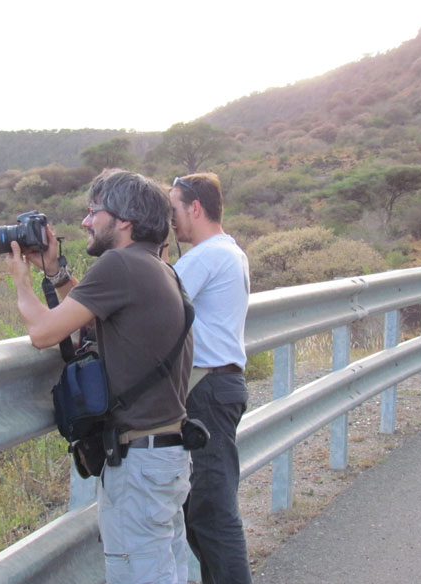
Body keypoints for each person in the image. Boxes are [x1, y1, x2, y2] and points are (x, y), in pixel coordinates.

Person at [4, 168, 194, 584]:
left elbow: (44, 332)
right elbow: (91, 315)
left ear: (122, 220)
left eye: (93, 212)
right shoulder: (156, 266)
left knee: (139, 574)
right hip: (164, 453)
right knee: (165, 570)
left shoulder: (120, 264)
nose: (86, 222)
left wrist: (21, 282)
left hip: (140, 461)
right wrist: (54, 270)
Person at [169, 173, 253, 584]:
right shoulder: (230, 251)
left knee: (213, 515)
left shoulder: (204, 257)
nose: (171, 222)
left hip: (208, 392)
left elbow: (154, 299)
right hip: (218, 388)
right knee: (202, 513)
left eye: (173, 210)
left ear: (195, 208)